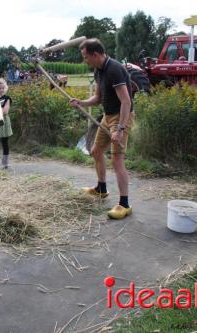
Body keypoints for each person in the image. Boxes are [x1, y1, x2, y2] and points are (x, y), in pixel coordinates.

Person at [70, 38, 135, 220]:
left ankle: (124, 204)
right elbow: (98, 98)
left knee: (117, 160)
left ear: (96, 54)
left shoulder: (114, 69)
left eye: (85, 57)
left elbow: (126, 102)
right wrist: (81, 102)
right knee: (96, 151)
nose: (85, 61)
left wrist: (120, 129)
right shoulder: (98, 70)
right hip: (108, 115)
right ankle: (101, 189)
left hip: (122, 116)